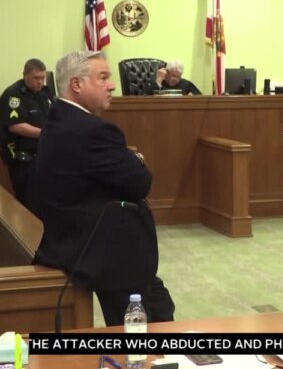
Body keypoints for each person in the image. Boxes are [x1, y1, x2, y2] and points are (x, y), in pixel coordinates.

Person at [29, 51, 175, 326]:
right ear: (76, 84)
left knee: (160, 303)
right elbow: (141, 182)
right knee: (137, 333)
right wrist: (138, 159)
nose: (112, 85)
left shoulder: (57, 118)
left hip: (76, 241)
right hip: (105, 254)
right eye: (103, 77)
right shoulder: (92, 131)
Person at [0, 58, 53, 207]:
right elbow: (15, 126)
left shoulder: (44, 94)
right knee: (28, 205)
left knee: (45, 204)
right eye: (36, 78)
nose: (40, 82)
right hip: (24, 162)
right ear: (25, 75)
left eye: (43, 78)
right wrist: (47, 134)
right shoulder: (14, 95)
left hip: (43, 158)